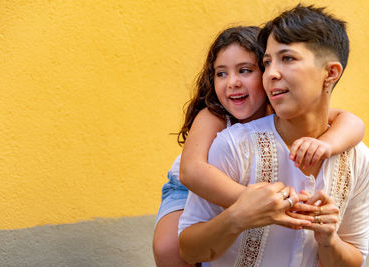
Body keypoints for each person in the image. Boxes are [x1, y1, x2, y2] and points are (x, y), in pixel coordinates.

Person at [153, 25, 365, 266]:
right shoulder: (214, 116)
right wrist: (250, 202)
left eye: (244, 70)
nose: (232, 82)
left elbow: (353, 123)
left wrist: (324, 144)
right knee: (169, 249)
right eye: (221, 73)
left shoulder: (284, 110)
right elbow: (191, 172)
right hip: (189, 187)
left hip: (256, 188)